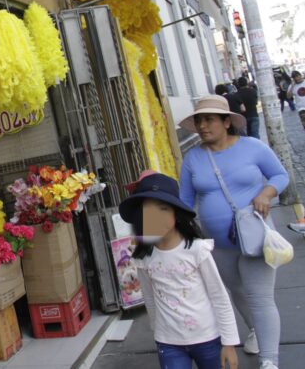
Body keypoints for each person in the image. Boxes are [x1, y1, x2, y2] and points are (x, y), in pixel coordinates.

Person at [178, 95, 289, 369]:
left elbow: (280, 175)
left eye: (210, 119)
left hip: (254, 237)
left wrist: (266, 193)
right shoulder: (193, 158)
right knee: (237, 291)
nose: (203, 126)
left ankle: (269, 359)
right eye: (199, 120)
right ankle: (255, 330)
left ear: (227, 122)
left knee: (259, 296)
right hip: (217, 244)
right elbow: (184, 201)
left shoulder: (252, 147)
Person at [118, 172, 239, 369]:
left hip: (208, 338)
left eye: (163, 209)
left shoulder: (197, 250)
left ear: (176, 213)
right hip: (169, 343)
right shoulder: (144, 259)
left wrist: (229, 342)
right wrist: (159, 333)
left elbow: (219, 296)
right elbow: (149, 299)